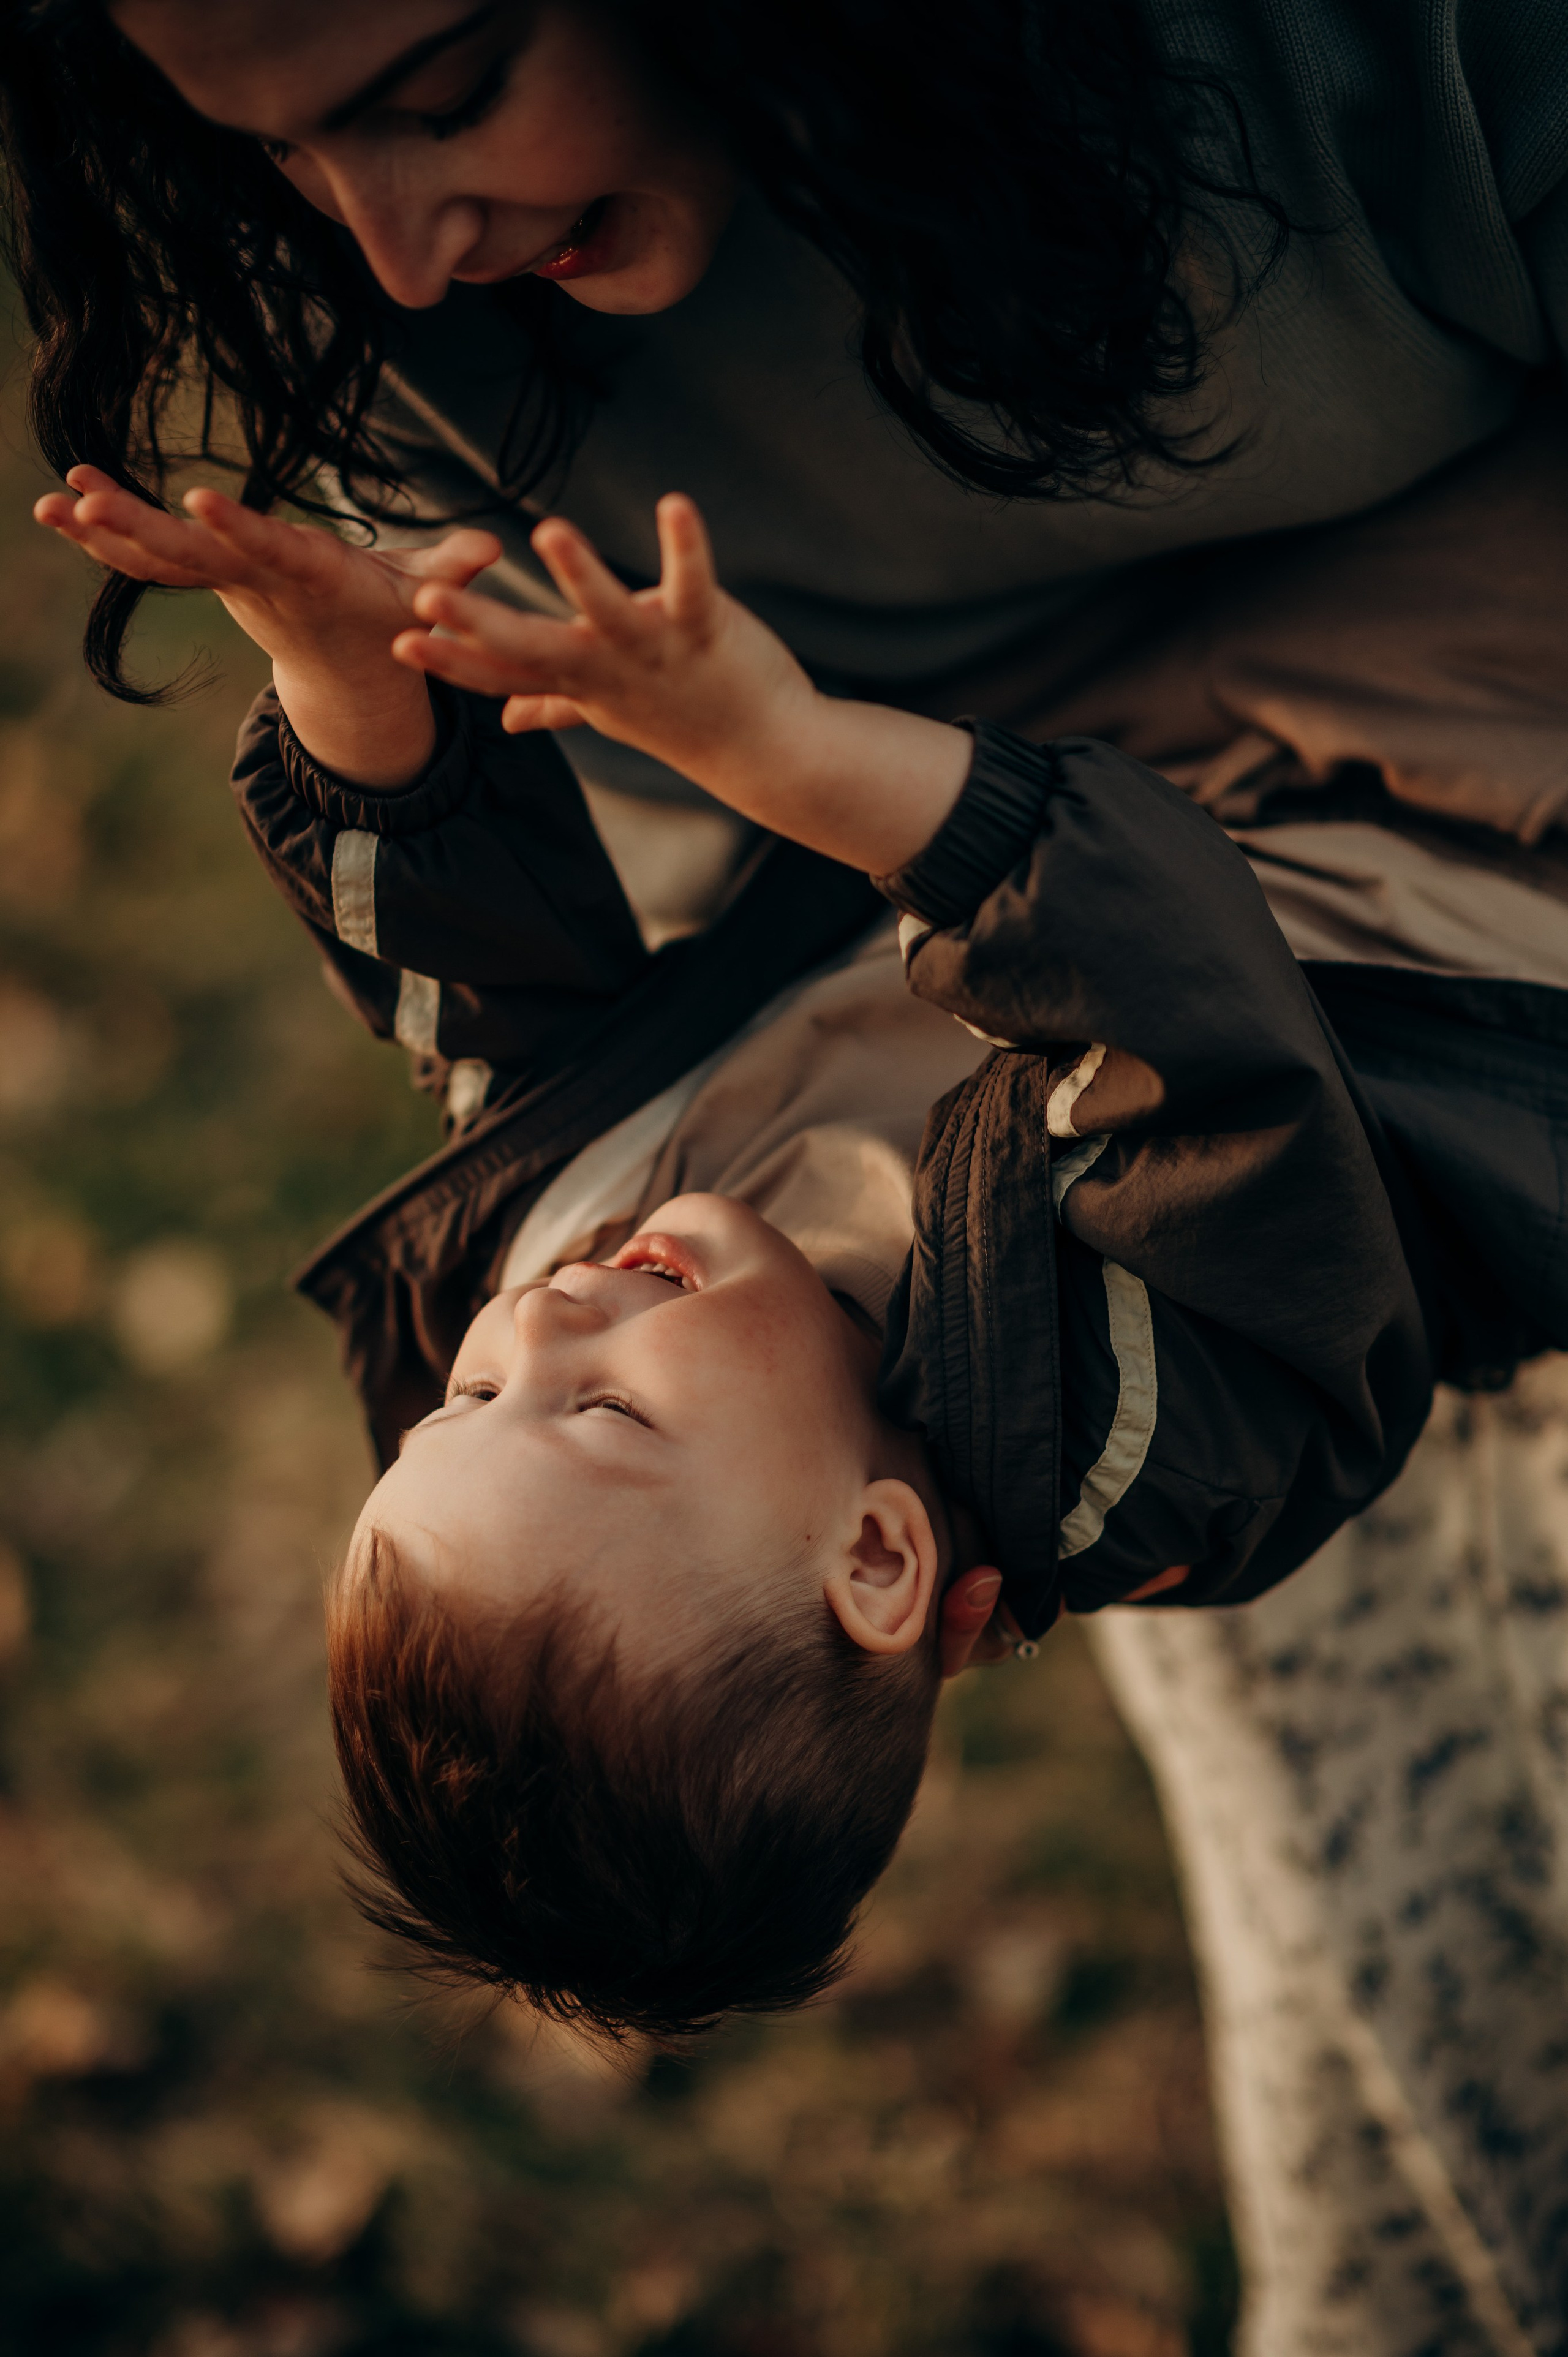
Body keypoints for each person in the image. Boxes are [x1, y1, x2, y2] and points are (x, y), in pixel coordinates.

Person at [14, 1, 1568, 2344]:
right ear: (878, 1556)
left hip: (1134, 710)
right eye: (594, 1419)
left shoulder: (609, 1275)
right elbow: (1191, 1015)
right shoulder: (1137, 1434)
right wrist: (786, 752)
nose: (535, 1328)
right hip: (1466, 844)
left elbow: (480, 998)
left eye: (461, 1405)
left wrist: (346, 678)